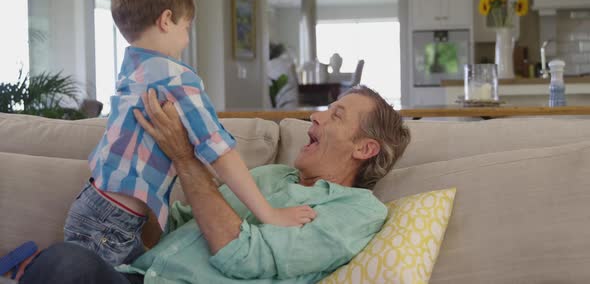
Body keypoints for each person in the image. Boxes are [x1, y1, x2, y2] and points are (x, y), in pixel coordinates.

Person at [20, 86, 411, 283]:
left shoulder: (357, 211)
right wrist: (137, 178)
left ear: (365, 148)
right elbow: (168, 231)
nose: (315, 117)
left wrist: (185, 157)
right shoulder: (273, 176)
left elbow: (244, 256)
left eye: (336, 115)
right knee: (64, 259)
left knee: (64, 264)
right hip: (140, 276)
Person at [63, 0, 314, 268]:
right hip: (112, 223)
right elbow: (220, 150)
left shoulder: (132, 69)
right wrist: (269, 214)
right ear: (166, 20)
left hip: (94, 208)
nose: (185, 40)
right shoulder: (176, 78)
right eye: (186, 28)